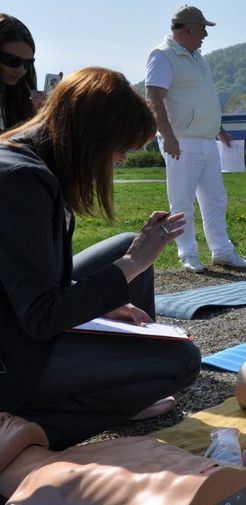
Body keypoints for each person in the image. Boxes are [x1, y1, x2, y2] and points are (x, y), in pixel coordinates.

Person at [0, 67, 202, 450]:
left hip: (16, 318)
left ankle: (127, 384)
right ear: (93, 137)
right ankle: (31, 426)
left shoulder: (31, 160)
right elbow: (41, 317)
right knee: (182, 360)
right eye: (120, 149)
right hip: (11, 361)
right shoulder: (20, 181)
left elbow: (26, 281)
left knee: (125, 247)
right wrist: (131, 264)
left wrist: (104, 300)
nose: (120, 160)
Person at [145, 4, 246, 273]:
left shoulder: (198, 58)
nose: (205, 34)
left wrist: (218, 129)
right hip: (181, 140)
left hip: (206, 139)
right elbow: (154, 97)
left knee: (216, 198)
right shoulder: (163, 55)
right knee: (182, 201)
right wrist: (168, 136)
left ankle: (222, 250)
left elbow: (202, 98)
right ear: (188, 29)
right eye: (203, 28)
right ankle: (188, 253)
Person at [0, 14, 42, 131]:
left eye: (27, 63)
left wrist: (40, 115)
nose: (20, 69)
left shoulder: (23, 98)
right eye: (12, 60)